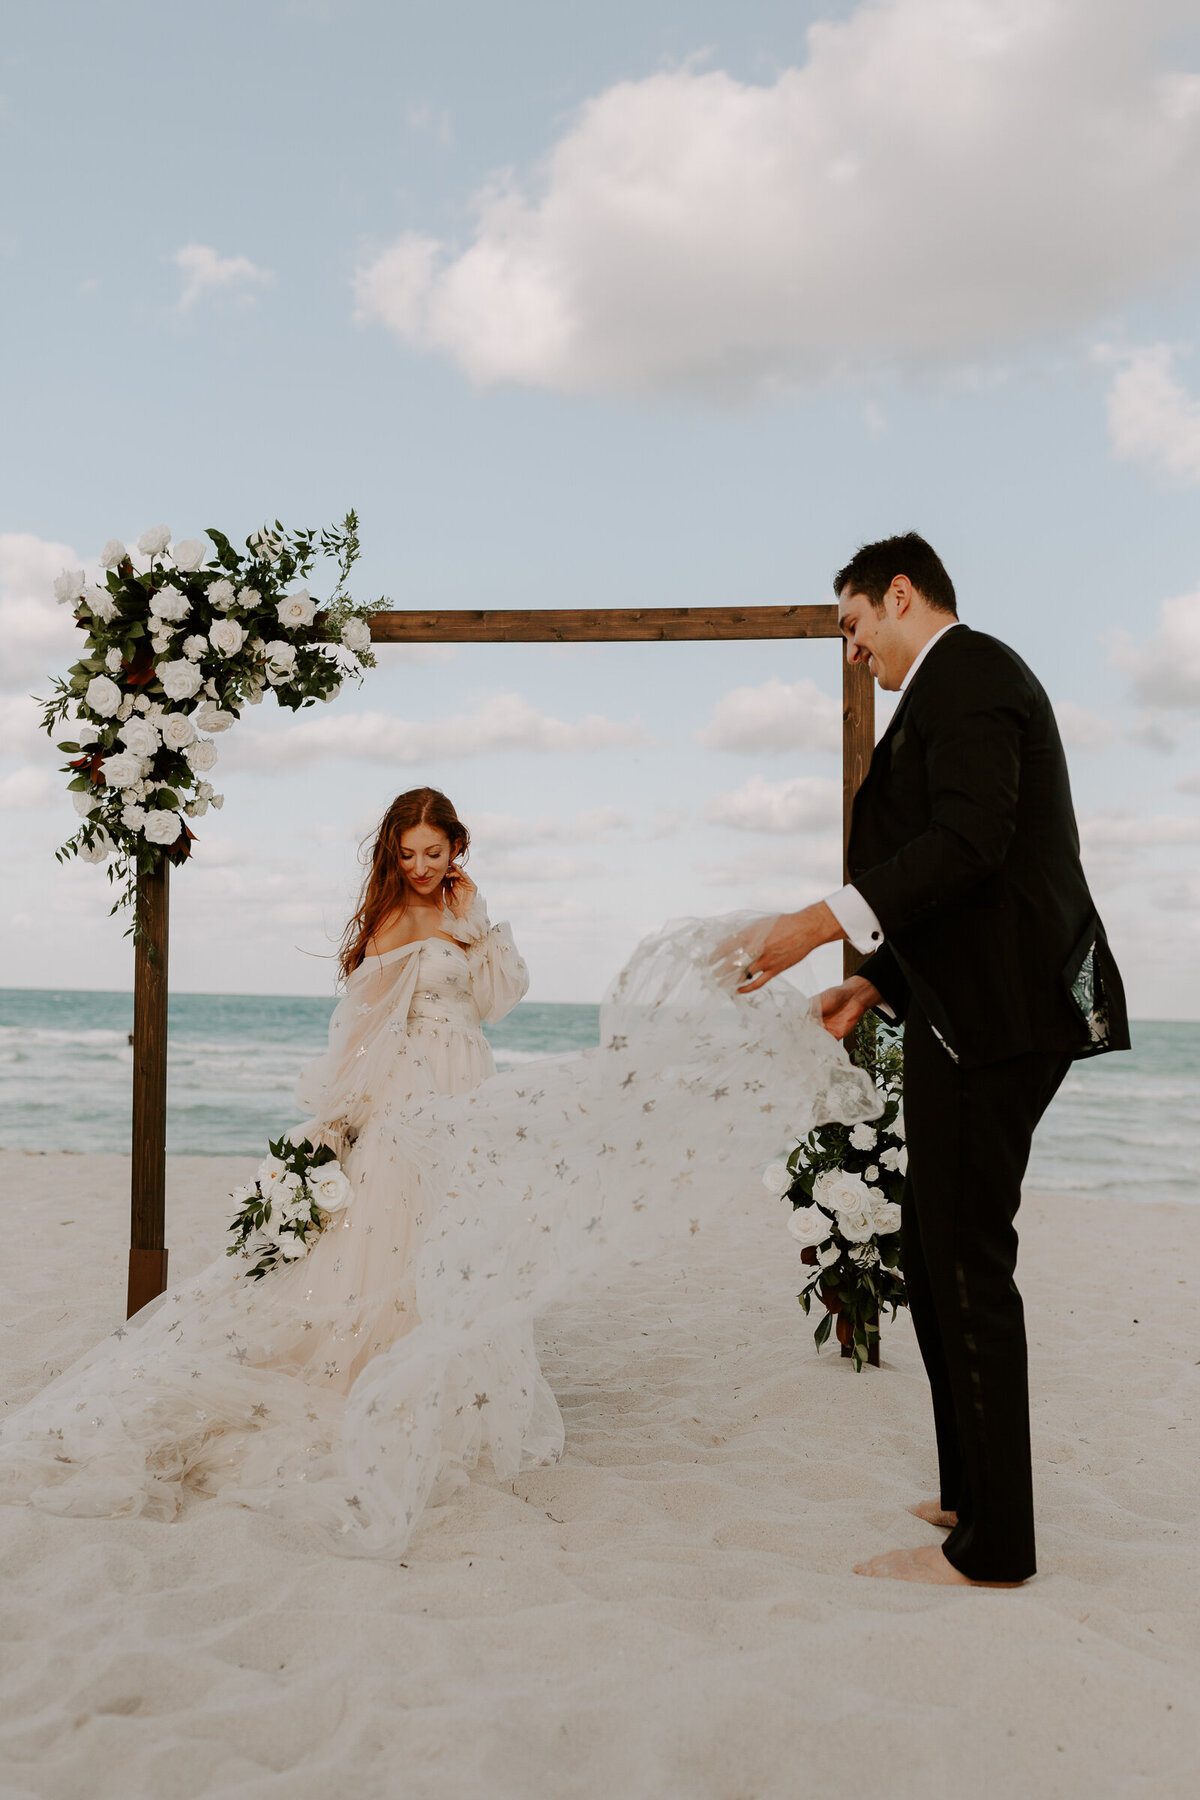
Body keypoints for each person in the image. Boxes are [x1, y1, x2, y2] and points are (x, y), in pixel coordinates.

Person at [0, 787, 877, 1557]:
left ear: (456, 848)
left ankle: (456, 1379)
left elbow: (498, 1000)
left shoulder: (460, 910)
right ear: (392, 855)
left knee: (461, 1238)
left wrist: (478, 918)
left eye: (434, 852)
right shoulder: (391, 922)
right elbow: (360, 1032)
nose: (421, 867)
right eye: (407, 854)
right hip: (412, 1100)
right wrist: (345, 1118)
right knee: (399, 1243)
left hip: (470, 1085)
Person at [729, 532, 1128, 1588]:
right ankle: (969, 1495)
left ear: (899, 594)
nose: (853, 650)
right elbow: (966, 884)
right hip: (963, 1009)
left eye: (855, 625)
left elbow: (971, 845)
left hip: (1005, 1019)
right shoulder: (954, 686)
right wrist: (880, 983)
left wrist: (819, 924)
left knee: (967, 1261)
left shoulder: (974, 677)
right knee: (930, 1244)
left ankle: (994, 1546)